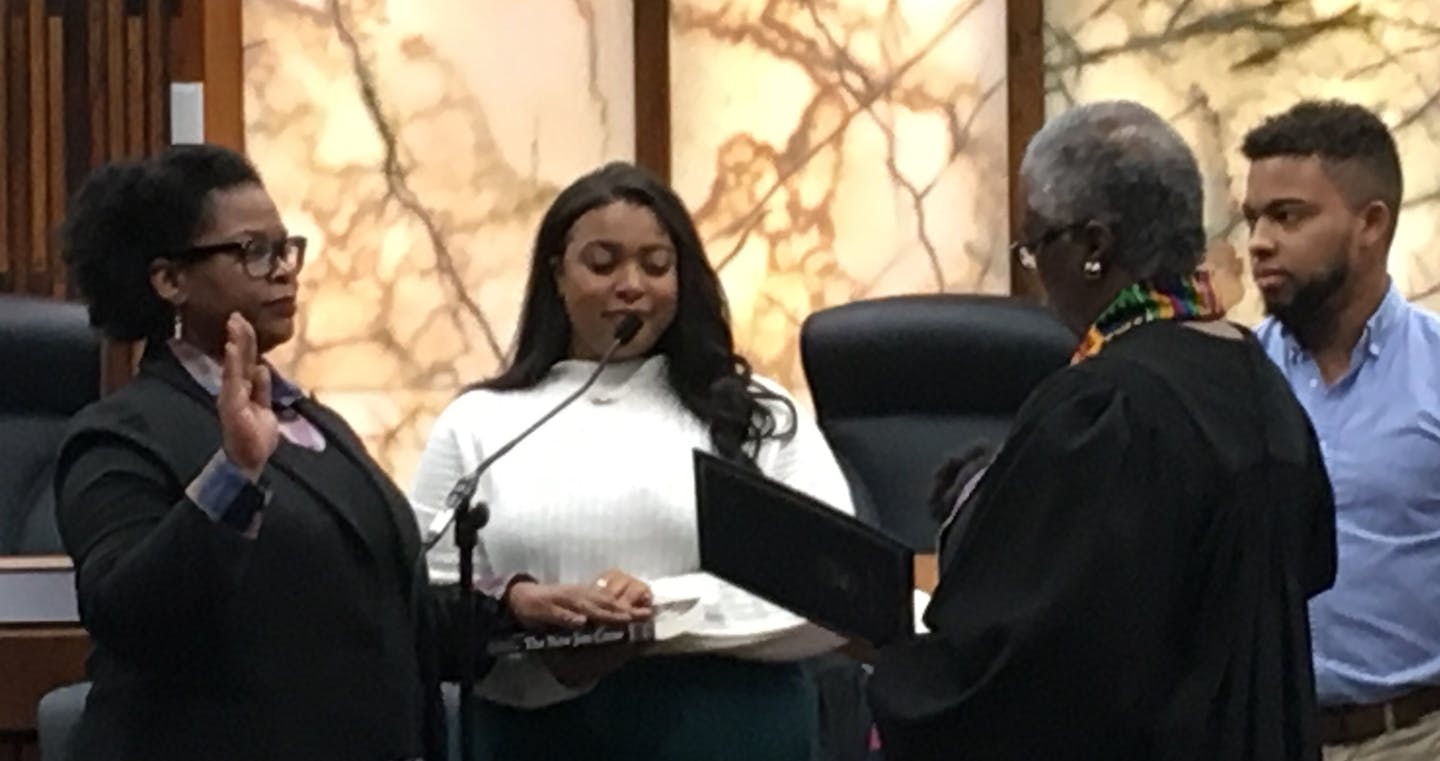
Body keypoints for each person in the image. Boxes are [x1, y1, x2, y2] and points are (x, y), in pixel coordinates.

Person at [867, 100, 1337, 760]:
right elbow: (1309, 565)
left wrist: (891, 671)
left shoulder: (1107, 405)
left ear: (1093, 248)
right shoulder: (1254, 373)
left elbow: (1024, 668)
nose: (1034, 271)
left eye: (1035, 245)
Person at [54, 144, 507, 761]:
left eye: (286, 247)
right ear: (170, 279)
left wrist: (518, 610)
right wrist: (233, 473)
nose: (284, 269)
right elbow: (129, 613)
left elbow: (378, 611)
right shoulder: (121, 432)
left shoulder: (312, 421)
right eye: (252, 251)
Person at [409, 160, 856, 760]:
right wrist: (528, 621)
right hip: (539, 732)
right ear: (556, 276)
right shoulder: (482, 421)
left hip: (733, 725)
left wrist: (659, 609)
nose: (631, 284)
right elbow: (423, 602)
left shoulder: (755, 411)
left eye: (656, 264)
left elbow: (838, 579)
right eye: (602, 263)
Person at [1242, 100, 1440, 759]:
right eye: (1254, 218)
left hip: (1414, 736)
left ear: (1370, 224)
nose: (1260, 241)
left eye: (1288, 215)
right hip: (1261, 735)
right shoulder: (1232, 379)